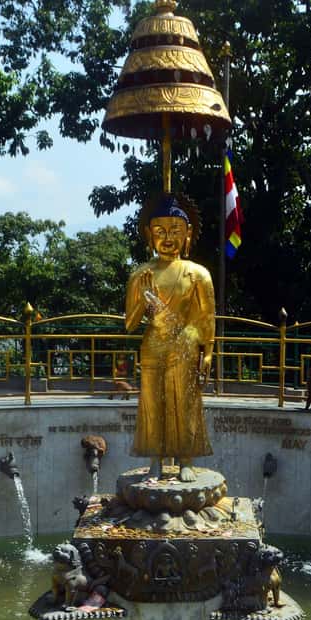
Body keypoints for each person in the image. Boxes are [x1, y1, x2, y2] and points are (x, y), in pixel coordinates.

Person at [124, 195, 215, 482]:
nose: (167, 237)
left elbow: (206, 318)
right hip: (153, 346)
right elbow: (130, 323)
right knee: (153, 404)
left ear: (188, 234)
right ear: (149, 234)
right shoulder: (141, 274)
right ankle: (156, 459)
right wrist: (144, 297)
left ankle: (186, 459)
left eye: (175, 230)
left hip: (185, 346)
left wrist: (209, 351)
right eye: (160, 231)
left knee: (184, 402)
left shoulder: (197, 273)